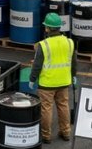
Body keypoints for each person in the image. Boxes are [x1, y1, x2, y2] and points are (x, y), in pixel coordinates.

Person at [31, 14, 76, 142]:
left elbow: (37, 65)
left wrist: (32, 79)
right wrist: (73, 77)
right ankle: (66, 132)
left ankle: (46, 135)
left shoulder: (44, 45)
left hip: (47, 83)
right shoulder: (69, 42)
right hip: (64, 81)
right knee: (63, 106)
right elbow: (73, 62)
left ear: (47, 29)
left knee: (46, 108)